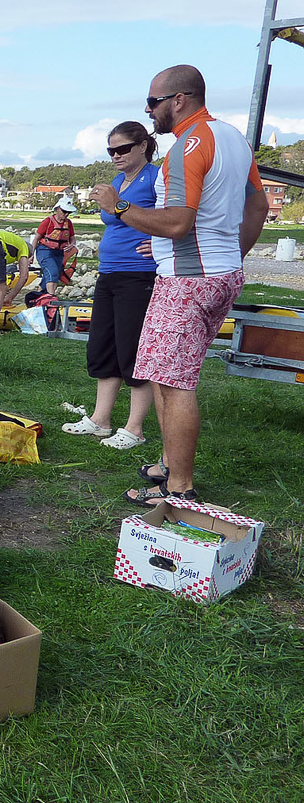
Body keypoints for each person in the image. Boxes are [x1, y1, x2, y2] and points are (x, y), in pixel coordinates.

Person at [89, 64, 268, 506]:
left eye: (152, 102)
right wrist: (225, 255)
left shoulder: (185, 148)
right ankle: (169, 464)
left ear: (178, 100)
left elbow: (177, 221)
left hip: (187, 283)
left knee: (173, 382)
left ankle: (179, 487)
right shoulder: (233, 138)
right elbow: (258, 205)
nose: (148, 110)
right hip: (216, 273)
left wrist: (119, 205)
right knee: (166, 373)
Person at [62, 122, 160, 451]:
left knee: (133, 349)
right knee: (103, 344)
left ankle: (135, 428)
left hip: (140, 274)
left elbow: (174, 217)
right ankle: (100, 419)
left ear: (143, 146)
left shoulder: (156, 177)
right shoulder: (119, 181)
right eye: (111, 150)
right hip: (110, 271)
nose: (116, 156)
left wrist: (159, 244)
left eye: (123, 149)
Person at [34, 198, 78, 296]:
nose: (66, 214)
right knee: (52, 273)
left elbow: (72, 238)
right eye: (64, 211)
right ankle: (51, 300)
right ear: (57, 208)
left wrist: (71, 245)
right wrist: (30, 256)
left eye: (69, 212)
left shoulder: (69, 223)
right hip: (44, 250)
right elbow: (36, 238)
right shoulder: (47, 221)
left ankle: (39, 296)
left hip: (59, 252)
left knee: (52, 275)